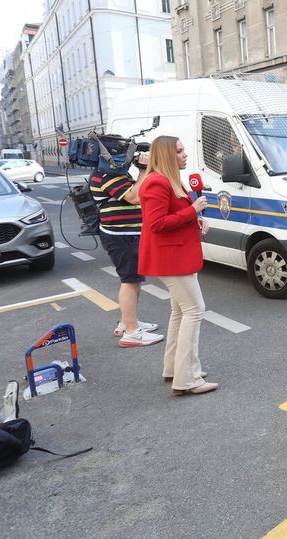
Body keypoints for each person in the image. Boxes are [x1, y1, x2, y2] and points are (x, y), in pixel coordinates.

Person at [138, 136, 216, 396]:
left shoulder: (170, 179)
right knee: (194, 310)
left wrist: (195, 219)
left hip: (176, 255)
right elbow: (157, 223)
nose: (185, 155)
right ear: (165, 155)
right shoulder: (157, 182)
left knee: (180, 312)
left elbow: (173, 215)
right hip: (170, 258)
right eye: (179, 151)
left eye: (183, 150)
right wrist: (192, 210)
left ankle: (174, 369)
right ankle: (187, 379)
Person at [89, 148, 163, 347]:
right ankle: (131, 333)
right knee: (129, 281)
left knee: (134, 280)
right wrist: (143, 170)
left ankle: (128, 322)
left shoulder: (115, 174)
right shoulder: (108, 175)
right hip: (121, 236)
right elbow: (134, 197)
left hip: (127, 234)